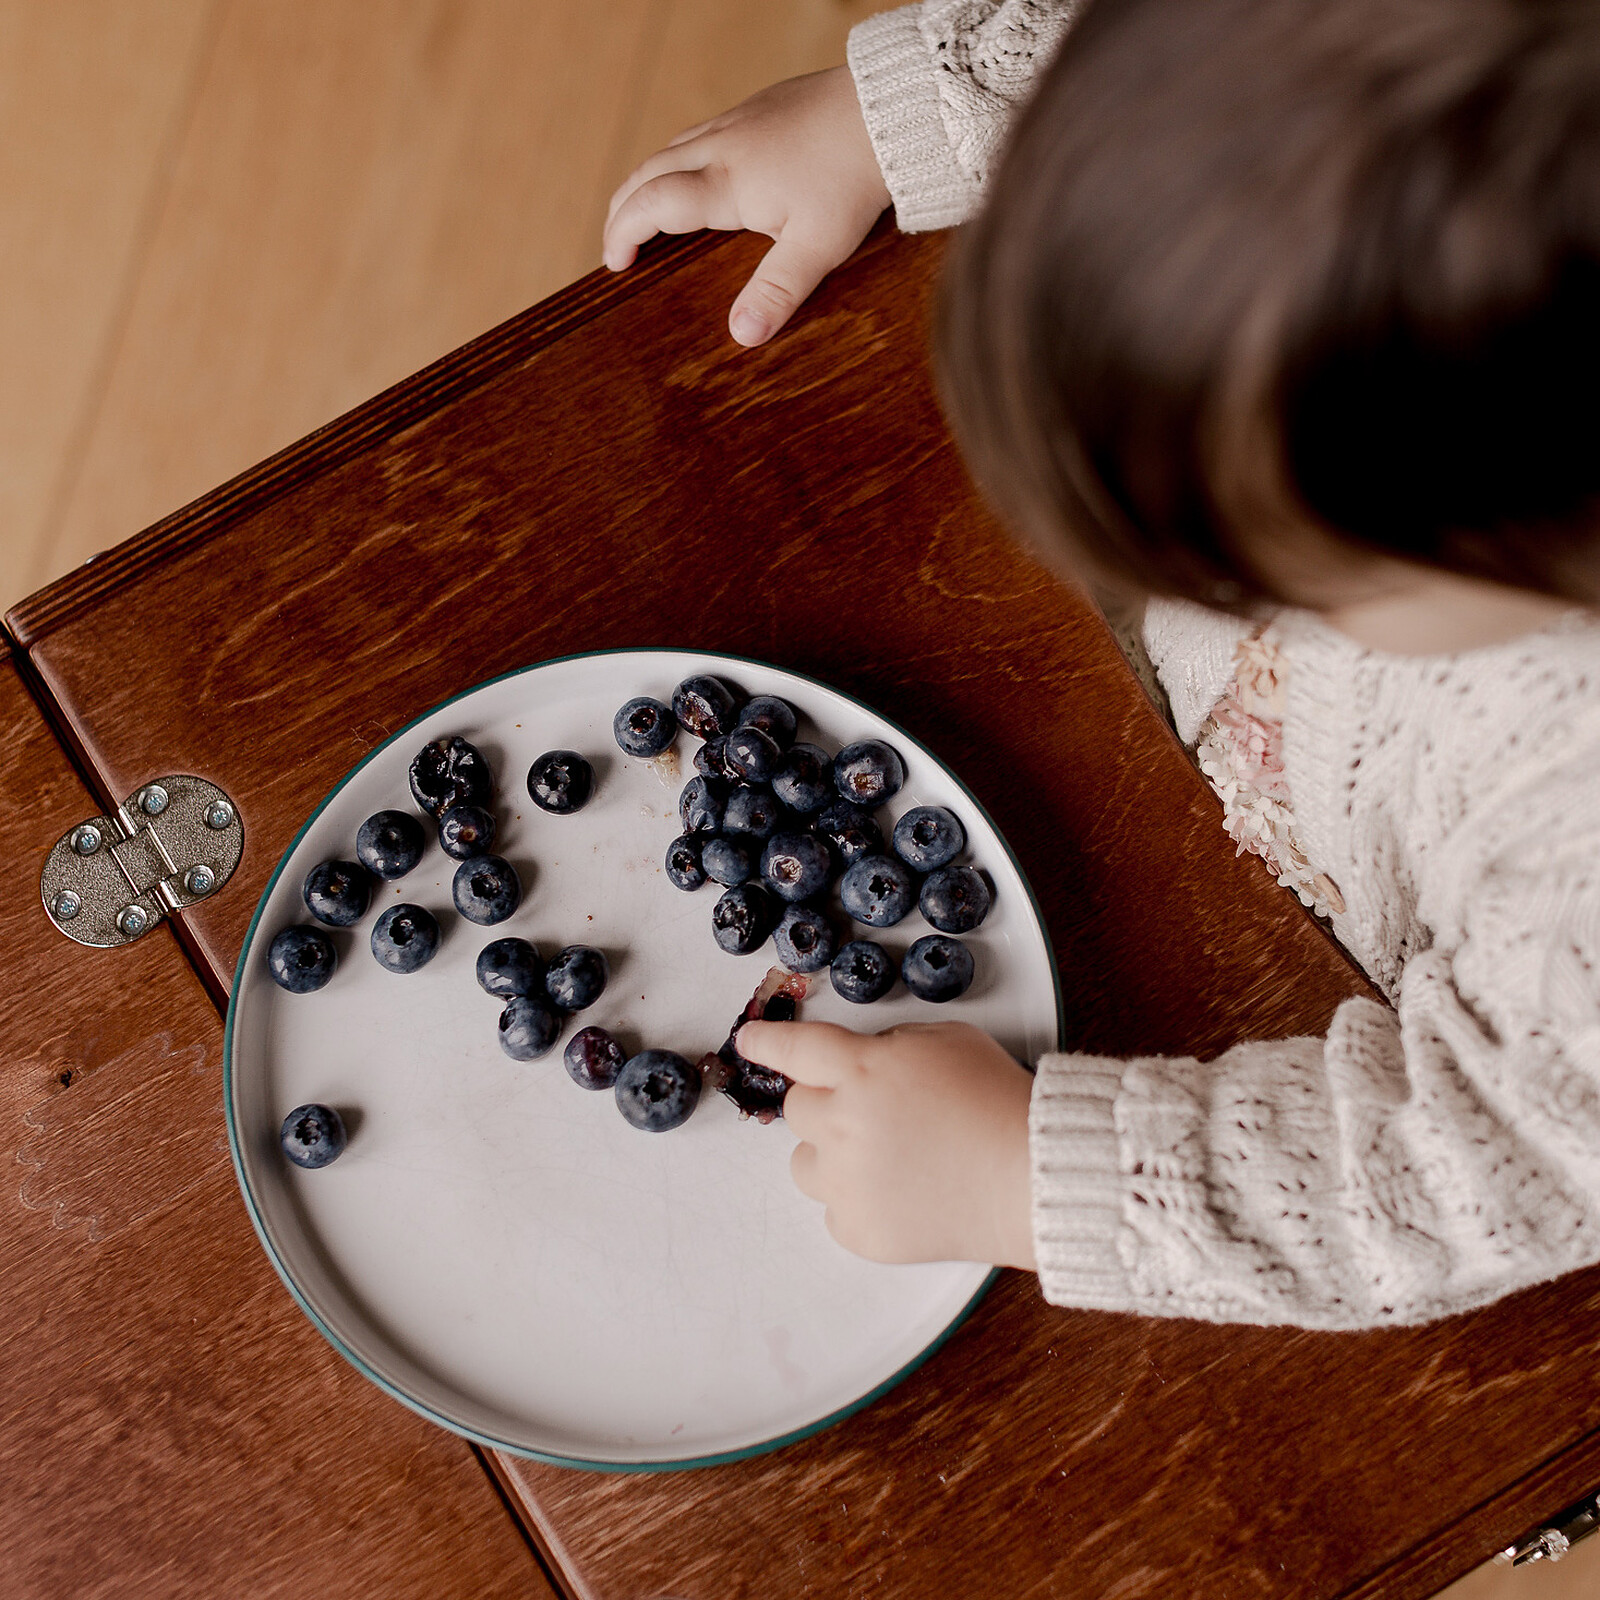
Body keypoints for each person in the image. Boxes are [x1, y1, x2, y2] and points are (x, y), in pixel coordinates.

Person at [604, 0, 1600, 1329]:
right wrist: (913, 112)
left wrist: (1031, 1182)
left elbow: (1478, 1170)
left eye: (1256, 566)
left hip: (1345, 945)